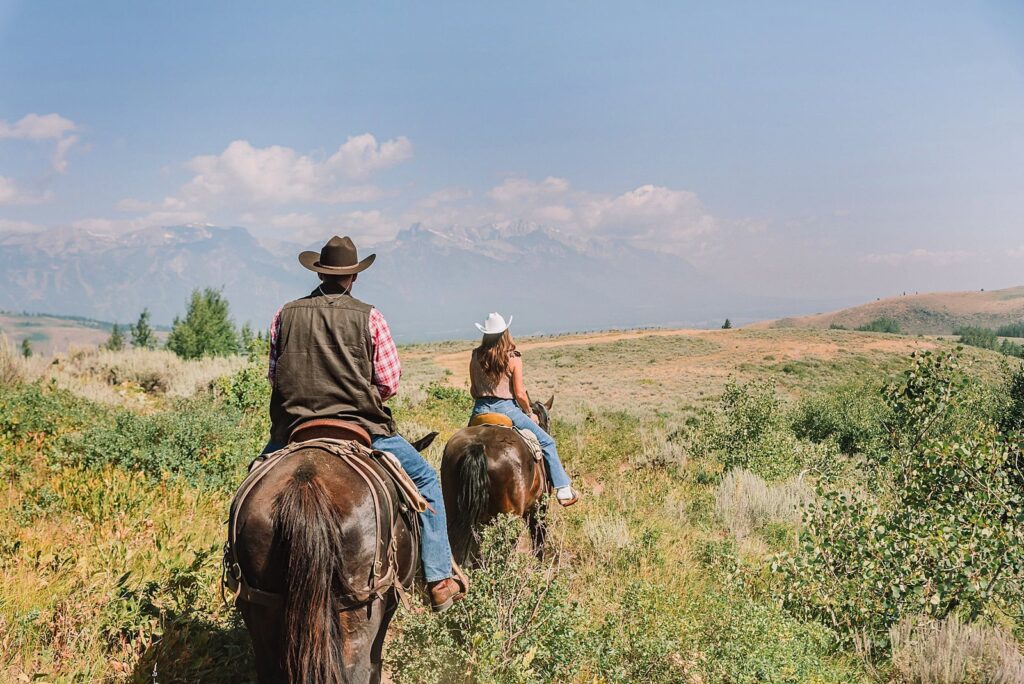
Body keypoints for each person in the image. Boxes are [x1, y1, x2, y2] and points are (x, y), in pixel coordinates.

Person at [262, 235, 466, 612]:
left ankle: (239, 571)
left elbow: (275, 376)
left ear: (320, 272)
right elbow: (389, 382)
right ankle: (438, 578)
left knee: (253, 481)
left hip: (294, 427)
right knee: (425, 481)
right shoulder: (370, 316)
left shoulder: (284, 314)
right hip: (361, 427)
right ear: (354, 277)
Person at [468, 312, 579, 506]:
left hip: (479, 410)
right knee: (547, 442)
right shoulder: (513, 358)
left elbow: (473, 390)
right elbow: (519, 394)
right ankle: (563, 489)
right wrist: (529, 413)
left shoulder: (476, 355)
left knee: (467, 446)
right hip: (506, 409)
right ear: (505, 333)